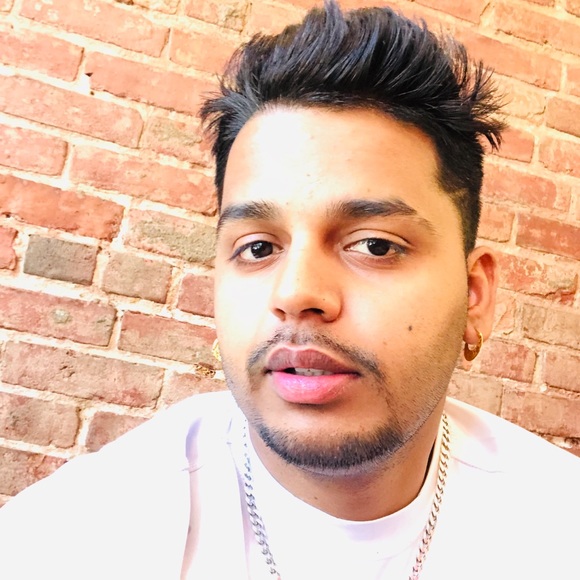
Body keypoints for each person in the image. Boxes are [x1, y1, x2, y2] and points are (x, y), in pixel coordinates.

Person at [1, 1, 579, 579]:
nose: (297, 292)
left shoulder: (558, 525)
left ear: (474, 296)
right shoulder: (77, 536)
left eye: (375, 245)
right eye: (258, 248)